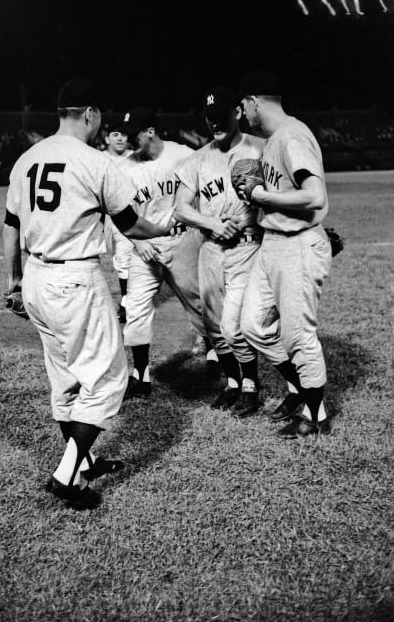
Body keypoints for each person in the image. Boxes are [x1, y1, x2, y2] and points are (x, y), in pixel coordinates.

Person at [2, 78, 174, 510]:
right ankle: (67, 474)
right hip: (76, 277)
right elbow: (132, 224)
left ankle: (86, 462)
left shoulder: (27, 158)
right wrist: (166, 228)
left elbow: (11, 225)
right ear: (91, 113)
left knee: (64, 378)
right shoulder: (93, 161)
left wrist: (15, 281)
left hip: (37, 277)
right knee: (108, 378)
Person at [238, 70, 332, 437]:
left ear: (254, 102)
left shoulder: (292, 135)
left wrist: (262, 196)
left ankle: (316, 415)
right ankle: (299, 388)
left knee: (298, 335)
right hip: (274, 242)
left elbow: (315, 195)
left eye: (242, 106)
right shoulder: (273, 139)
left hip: (298, 244)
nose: (242, 114)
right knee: (253, 326)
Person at [175, 87, 265, 417]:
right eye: (210, 119)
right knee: (214, 326)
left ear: (238, 113)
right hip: (211, 249)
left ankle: (251, 385)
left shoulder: (260, 149)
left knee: (233, 325)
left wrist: (246, 218)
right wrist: (212, 223)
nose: (216, 124)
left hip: (248, 248)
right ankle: (232, 384)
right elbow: (180, 209)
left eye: (222, 117)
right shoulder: (198, 159)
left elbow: (278, 197)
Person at [117, 107, 217, 398]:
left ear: (150, 131)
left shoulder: (183, 155)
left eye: (132, 134)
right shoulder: (124, 168)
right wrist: (138, 242)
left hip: (182, 241)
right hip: (143, 247)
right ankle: (141, 375)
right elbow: (121, 215)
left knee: (198, 302)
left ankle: (214, 351)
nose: (126, 140)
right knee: (134, 308)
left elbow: (205, 191)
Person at [103, 122, 134, 323]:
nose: (120, 138)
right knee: (116, 259)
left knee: (125, 259)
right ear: (107, 138)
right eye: (115, 134)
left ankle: (126, 302)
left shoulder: (135, 158)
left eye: (123, 134)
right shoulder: (100, 159)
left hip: (130, 213)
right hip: (106, 216)